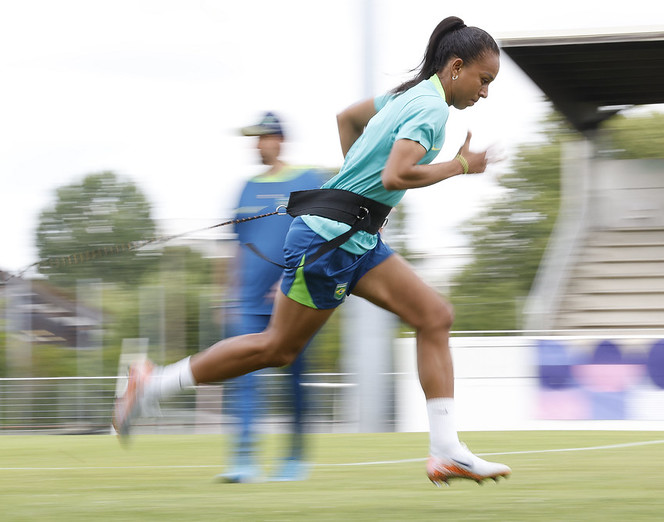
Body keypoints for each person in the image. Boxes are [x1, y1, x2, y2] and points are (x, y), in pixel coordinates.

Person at [114, 16, 510, 486]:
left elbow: (347, 118)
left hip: (354, 237)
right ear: (456, 67)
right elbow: (396, 176)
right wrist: (460, 165)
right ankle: (152, 384)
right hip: (330, 240)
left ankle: (447, 451)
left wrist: (353, 187)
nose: (484, 92)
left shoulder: (408, 96)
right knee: (277, 348)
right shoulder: (432, 110)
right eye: (484, 81)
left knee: (434, 316)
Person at [217, 112, 327, 483]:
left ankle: (295, 458)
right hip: (247, 305)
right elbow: (234, 247)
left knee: (294, 380)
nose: (256, 144)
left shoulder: (307, 180)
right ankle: (244, 461)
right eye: (254, 138)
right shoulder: (245, 188)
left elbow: (322, 235)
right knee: (243, 379)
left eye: (262, 137)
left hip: (294, 300)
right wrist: (227, 295)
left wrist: (287, 278)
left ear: (279, 140)